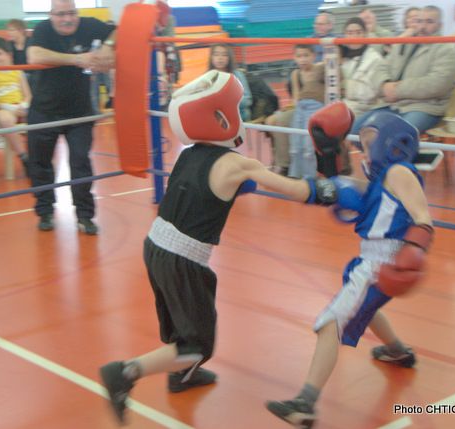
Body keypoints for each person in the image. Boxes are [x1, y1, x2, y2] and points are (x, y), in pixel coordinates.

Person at [98, 71, 351, 425]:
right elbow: (294, 190)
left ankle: (182, 375)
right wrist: (332, 184)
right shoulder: (237, 164)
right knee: (197, 345)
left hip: (154, 245)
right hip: (183, 259)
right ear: (221, 116)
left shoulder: (187, 155)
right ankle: (125, 372)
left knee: (180, 324)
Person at [266, 110, 434, 429]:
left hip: (382, 260)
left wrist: (413, 252)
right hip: (368, 260)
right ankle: (398, 351)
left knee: (332, 322)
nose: (364, 151)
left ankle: (305, 403)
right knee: (364, 307)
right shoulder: (381, 179)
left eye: (370, 144)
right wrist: (328, 158)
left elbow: (424, 217)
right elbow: (347, 189)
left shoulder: (400, 172)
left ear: (390, 143)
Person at [26, 0, 115, 235]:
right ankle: (45, 211)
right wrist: (78, 59)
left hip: (79, 111)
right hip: (44, 110)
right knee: (40, 163)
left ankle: (85, 216)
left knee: (80, 162)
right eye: (61, 14)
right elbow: (34, 55)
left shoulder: (89, 25)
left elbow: (118, 30)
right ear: (51, 15)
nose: (67, 19)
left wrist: (108, 46)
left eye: (71, 13)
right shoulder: (43, 29)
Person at [351, 5, 455, 135]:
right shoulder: (404, 42)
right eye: (419, 21)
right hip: (392, 105)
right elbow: (381, 67)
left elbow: (437, 84)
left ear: (440, 25)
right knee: (356, 131)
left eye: (429, 22)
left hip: (424, 107)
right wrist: (384, 85)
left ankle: (400, 154)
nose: (422, 26)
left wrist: (397, 90)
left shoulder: (447, 50)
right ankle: (377, 154)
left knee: (396, 135)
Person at [0, 37, 31, 176]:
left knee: (42, 116)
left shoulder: (18, 72)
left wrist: (24, 105)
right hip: (0, 109)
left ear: (8, 55)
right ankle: (24, 157)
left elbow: (28, 95)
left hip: (20, 107)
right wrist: (8, 107)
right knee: (6, 119)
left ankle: (39, 158)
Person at [288, 44, 324, 179]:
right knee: (295, 144)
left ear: (313, 56)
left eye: (306, 55)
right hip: (300, 108)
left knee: (308, 146)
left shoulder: (320, 69)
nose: (303, 59)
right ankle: (295, 175)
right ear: (294, 58)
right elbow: (296, 96)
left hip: (316, 107)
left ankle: (309, 178)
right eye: (299, 56)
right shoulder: (296, 74)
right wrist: (296, 110)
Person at [208, 43, 252, 121]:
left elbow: (247, 100)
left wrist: (229, 102)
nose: (220, 58)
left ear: (229, 58)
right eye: (216, 54)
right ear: (211, 57)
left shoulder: (237, 75)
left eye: (224, 55)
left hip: (237, 115)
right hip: (214, 116)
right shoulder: (207, 77)